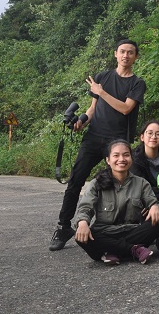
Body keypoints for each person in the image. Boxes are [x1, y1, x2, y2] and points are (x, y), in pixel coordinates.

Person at [49, 39, 146, 251]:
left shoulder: (137, 83)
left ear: (135, 57)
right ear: (115, 54)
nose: (125, 56)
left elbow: (125, 108)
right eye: (122, 52)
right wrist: (82, 122)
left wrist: (101, 91)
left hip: (118, 140)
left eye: (130, 53)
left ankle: (124, 227)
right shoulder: (102, 77)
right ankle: (64, 226)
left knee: (120, 183)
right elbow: (93, 108)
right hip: (93, 136)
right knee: (75, 181)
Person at [73, 139, 159, 265]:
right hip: (105, 232)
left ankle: (112, 252)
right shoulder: (96, 183)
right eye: (116, 155)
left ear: (131, 159)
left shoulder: (141, 183)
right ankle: (134, 249)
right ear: (108, 160)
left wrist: (155, 207)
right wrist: (82, 223)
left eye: (126, 155)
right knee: (81, 235)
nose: (121, 159)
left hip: (132, 231)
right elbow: (85, 207)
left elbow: (152, 202)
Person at [130, 120, 159, 201]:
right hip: (144, 199)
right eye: (150, 133)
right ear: (142, 137)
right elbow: (138, 187)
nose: (154, 137)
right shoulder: (134, 159)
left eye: (158, 134)